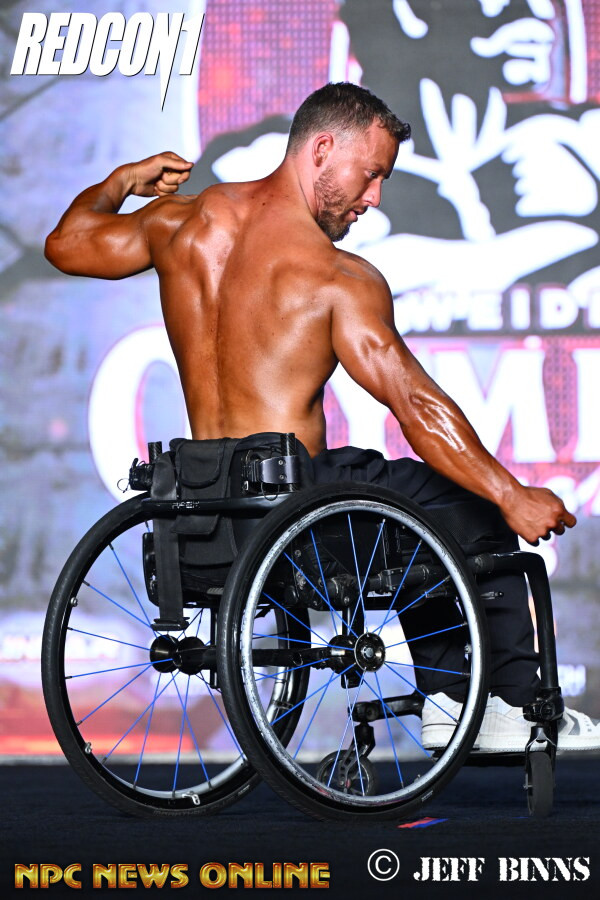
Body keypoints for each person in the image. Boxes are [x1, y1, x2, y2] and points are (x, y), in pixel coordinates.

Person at [45, 82, 599, 752]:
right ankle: (499, 705)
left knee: (410, 501)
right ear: (323, 149)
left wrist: (121, 182)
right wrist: (509, 494)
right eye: (371, 174)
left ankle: (452, 698)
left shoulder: (179, 225)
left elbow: (67, 243)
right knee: (470, 508)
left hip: (204, 511)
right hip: (295, 516)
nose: (375, 198)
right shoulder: (336, 278)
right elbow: (415, 404)